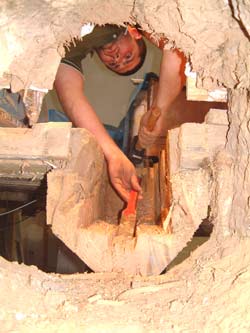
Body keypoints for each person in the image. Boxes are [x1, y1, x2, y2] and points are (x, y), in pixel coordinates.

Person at [54, 24, 185, 202]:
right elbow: (176, 53)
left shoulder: (74, 45)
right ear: (135, 34)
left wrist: (113, 154)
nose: (117, 57)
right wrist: (158, 111)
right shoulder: (141, 19)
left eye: (114, 64)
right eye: (128, 56)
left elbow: (70, 95)